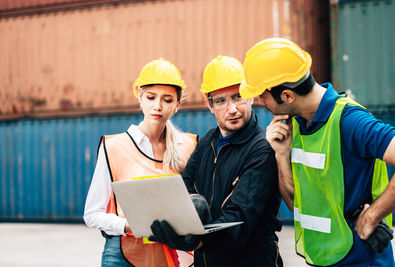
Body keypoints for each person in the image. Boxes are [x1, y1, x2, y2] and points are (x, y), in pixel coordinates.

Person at [239, 37, 395, 266]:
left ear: (287, 95)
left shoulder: (350, 121)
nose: (258, 101)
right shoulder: (294, 125)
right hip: (324, 258)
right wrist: (282, 155)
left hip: (362, 261)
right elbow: (298, 202)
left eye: (262, 95)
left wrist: (373, 215)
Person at [149, 55, 283, 266]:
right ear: (209, 105)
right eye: (220, 101)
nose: (231, 109)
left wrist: (197, 241)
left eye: (237, 97)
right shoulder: (207, 142)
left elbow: (239, 219)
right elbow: (184, 187)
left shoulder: (261, 151)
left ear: (250, 97)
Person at [83, 58, 197, 267]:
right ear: (139, 98)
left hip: (174, 253)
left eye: (167, 100)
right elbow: (92, 214)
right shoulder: (114, 146)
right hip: (122, 254)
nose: (158, 106)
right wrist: (128, 225)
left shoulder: (189, 146)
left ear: (178, 105)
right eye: (151, 97)